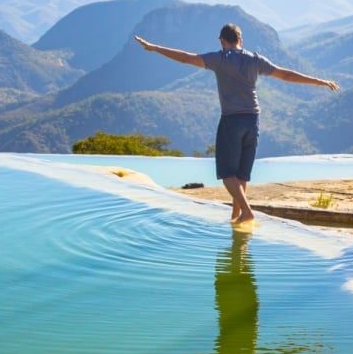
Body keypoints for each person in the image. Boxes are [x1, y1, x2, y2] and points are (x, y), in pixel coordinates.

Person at [134, 24, 338, 225]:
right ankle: (236, 217)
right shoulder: (255, 59)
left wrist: (155, 48)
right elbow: (285, 74)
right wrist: (319, 81)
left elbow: (187, 57)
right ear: (241, 40)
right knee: (241, 174)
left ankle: (247, 212)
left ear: (223, 41)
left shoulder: (220, 58)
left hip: (232, 120)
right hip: (253, 120)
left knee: (227, 174)